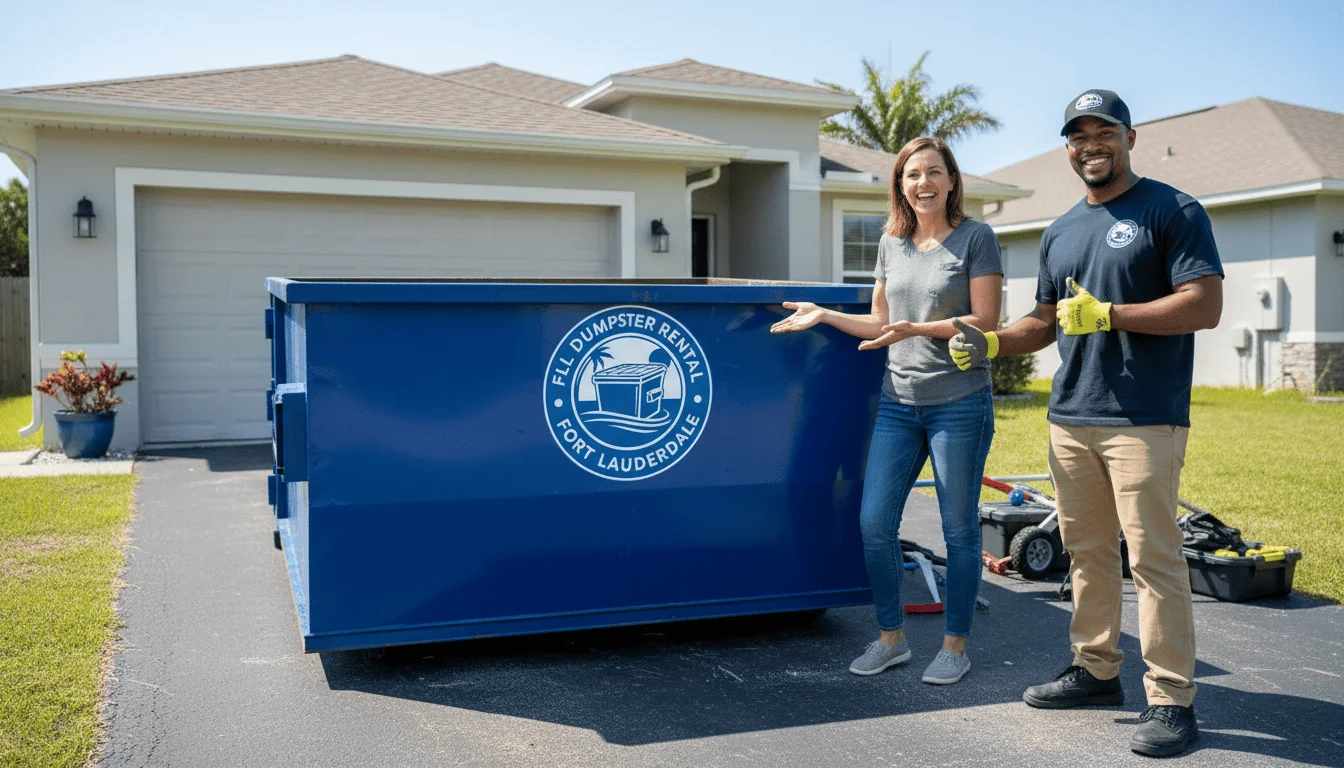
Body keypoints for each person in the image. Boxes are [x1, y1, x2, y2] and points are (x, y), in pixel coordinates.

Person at [948, 90, 1223, 757]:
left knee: (1154, 559)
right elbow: (1042, 323)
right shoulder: (1061, 229)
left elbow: (1204, 304)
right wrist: (990, 344)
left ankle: (1171, 698)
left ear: (1129, 136)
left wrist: (1112, 316)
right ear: (1068, 147)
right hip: (1071, 417)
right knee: (1089, 554)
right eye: (1079, 135)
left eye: (1104, 132)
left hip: (1144, 418)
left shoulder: (1172, 209)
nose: (1091, 144)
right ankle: (1097, 669)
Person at [771, 136, 1001, 686]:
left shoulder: (976, 237)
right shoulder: (890, 244)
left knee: (960, 532)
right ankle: (891, 638)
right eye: (912, 175)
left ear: (951, 181)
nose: (923, 183)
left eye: (933, 173)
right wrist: (823, 314)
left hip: (960, 404)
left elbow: (987, 320)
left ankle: (954, 647)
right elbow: (880, 324)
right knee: (874, 524)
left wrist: (919, 329)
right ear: (901, 185)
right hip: (900, 403)